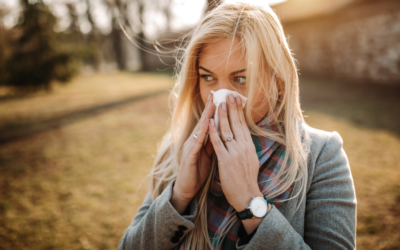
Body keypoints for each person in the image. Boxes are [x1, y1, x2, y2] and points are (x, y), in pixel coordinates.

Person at [118, 2, 356, 250]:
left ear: (279, 81)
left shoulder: (322, 157)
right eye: (208, 77)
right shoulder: (179, 148)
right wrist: (179, 196)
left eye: (241, 79)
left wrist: (249, 201)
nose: (222, 97)